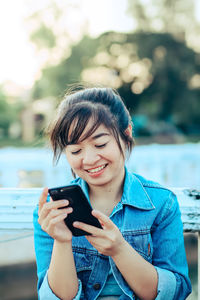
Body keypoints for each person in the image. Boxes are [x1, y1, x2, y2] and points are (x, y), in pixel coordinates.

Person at [33, 85, 192, 300]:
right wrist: (62, 241)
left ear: (126, 133)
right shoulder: (51, 212)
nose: (89, 160)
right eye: (76, 150)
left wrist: (119, 250)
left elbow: (175, 292)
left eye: (100, 144)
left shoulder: (162, 204)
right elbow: (54, 298)